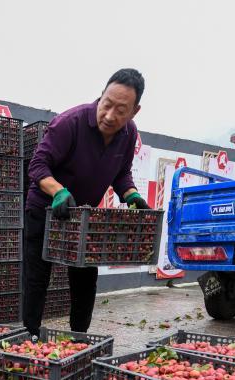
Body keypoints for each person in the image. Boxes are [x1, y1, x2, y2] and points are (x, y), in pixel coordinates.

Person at [23, 68, 148, 336]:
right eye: (107, 104)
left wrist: (132, 195)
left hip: (83, 217)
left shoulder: (129, 134)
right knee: (37, 276)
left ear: (134, 112)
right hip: (45, 210)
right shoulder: (70, 123)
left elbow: (122, 173)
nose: (110, 115)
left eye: (121, 110)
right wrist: (57, 191)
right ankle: (30, 334)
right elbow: (37, 166)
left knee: (84, 277)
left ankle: (79, 338)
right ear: (101, 96)